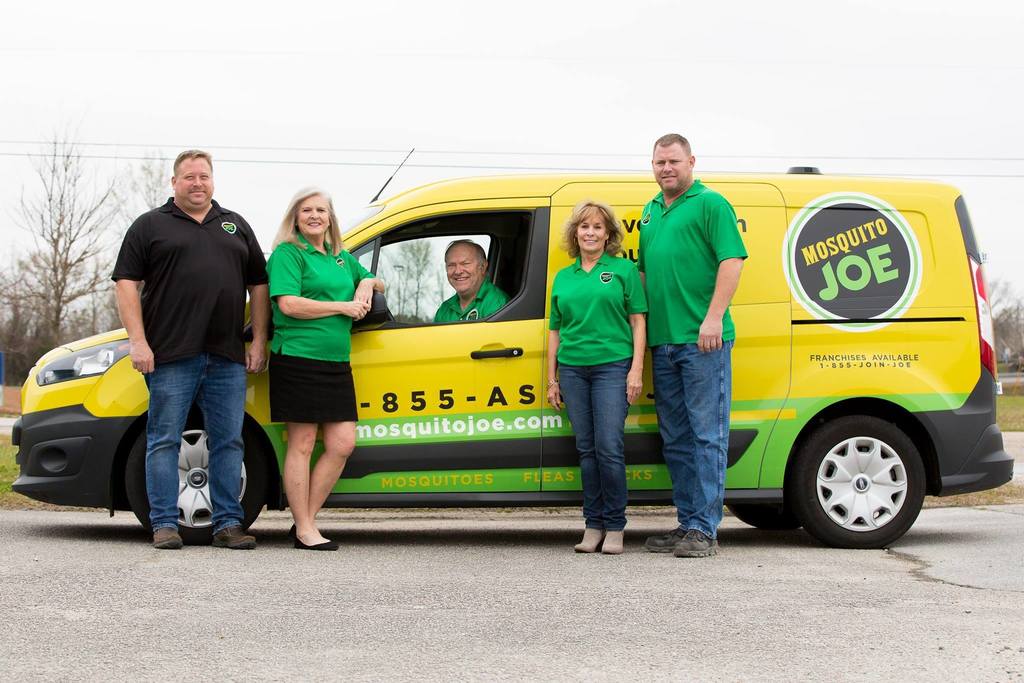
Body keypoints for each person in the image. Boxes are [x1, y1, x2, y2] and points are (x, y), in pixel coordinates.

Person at [112, 149, 269, 550]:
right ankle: (164, 524)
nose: (197, 183)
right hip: (169, 356)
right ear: (174, 182)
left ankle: (228, 524)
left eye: (204, 176)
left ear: (212, 180)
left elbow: (259, 284)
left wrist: (259, 339)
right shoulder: (150, 225)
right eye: (189, 177)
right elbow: (126, 283)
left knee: (229, 441)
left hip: (227, 356)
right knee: (163, 440)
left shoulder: (235, 225)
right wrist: (138, 341)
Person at [639, 134, 747, 558]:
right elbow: (645, 274)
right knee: (677, 439)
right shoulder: (650, 211)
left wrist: (714, 317)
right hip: (664, 342)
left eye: (673, 161)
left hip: (703, 341)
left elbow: (731, 261)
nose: (666, 168)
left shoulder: (711, 204)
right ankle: (688, 523)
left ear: (691, 162)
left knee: (707, 435)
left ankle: (705, 529)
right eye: (659, 162)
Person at [267, 187, 385, 551]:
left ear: (330, 217)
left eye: (321, 210)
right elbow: (288, 304)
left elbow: (380, 280)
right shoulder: (288, 253)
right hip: (298, 358)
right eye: (307, 210)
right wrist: (342, 307)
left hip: (336, 363)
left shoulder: (340, 257)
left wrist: (366, 282)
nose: (315, 216)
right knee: (302, 444)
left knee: (342, 443)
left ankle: (305, 520)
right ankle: (305, 529)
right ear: (295, 217)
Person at [547, 200, 647, 555]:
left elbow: (638, 321)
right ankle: (593, 524)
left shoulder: (623, 270)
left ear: (608, 235)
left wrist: (636, 370)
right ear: (575, 233)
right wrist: (552, 379)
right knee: (586, 450)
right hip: (573, 370)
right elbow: (555, 330)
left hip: (612, 368)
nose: (590, 233)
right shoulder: (563, 277)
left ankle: (615, 526)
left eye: (598, 227)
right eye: (584, 226)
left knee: (608, 448)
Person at [433, 239, 509, 322]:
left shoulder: (497, 303)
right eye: (451, 265)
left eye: (465, 264)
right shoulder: (444, 309)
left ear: (483, 266)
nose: (458, 271)